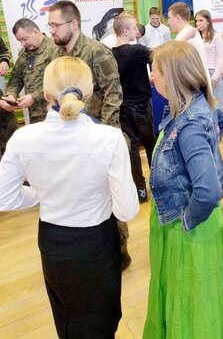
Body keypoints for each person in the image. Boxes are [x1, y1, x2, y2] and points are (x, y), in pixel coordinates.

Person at [0, 56, 138, 338]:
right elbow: (127, 211)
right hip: (98, 241)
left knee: (66, 318)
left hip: (53, 240)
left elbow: (4, 197)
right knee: (102, 320)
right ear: (89, 92)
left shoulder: (24, 138)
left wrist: (40, 194)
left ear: (45, 93)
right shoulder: (109, 138)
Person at [143, 41, 223, 338]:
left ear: (171, 77)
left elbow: (207, 191)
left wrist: (187, 221)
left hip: (189, 228)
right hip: (187, 222)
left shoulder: (190, 123)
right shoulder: (191, 107)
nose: (152, 76)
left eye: (155, 71)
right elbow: (220, 122)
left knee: (192, 301)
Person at [47, 0, 132, 269]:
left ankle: (120, 250)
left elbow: (114, 94)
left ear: (73, 24)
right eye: (49, 26)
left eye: (55, 25)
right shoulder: (56, 55)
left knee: (110, 195)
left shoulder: (97, 52)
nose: (52, 31)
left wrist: (104, 133)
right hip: (69, 137)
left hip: (98, 136)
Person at [112, 13, 156, 203]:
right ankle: (157, 184)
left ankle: (140, 190)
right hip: (141, 106)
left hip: (122, 107)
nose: (137, 31)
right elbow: (160, 54)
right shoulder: (136, 50)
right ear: (125, 31)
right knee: (151, 144)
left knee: (132, 149)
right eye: (134, 28)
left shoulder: (111, 53)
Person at [0, 19, 55, 123]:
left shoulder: (56, 50)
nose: (22, 44)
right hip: (34, 114)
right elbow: (16, 77)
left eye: (24, 39)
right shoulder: (24, 53)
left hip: (54, 113)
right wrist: (11, 95)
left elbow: (59, 83)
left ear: (35, 32)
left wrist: (34, 97)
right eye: (19, 41)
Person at [195, 9, 223, 124]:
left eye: (201, 20)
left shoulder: (215, 36)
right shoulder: (196, 37)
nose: (198, 23)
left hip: (211, 73)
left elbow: (221, 57)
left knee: (220, 104)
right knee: (206, 104)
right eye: (196, 20)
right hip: (200, 73)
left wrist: (215, 76)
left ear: (208, 21)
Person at [167, 2, 210, 80]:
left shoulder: (185, 35)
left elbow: (173, 61)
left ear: (177, 17)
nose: (168, 21)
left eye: (169, 18)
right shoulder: (187, 32)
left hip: (194, 82)